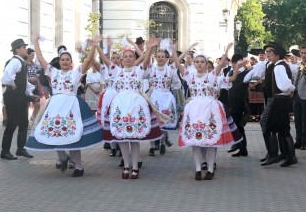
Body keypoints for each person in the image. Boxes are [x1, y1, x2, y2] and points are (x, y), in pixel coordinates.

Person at [25, 35, 103, 177]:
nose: (65, 61)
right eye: (62, 59)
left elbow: (88, 61)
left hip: (71, 106)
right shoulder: (53, 72)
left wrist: (94, 46)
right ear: (59, 61)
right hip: (55, 107)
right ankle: (62, 157)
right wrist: (35, 42)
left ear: (71, 62)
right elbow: (41, 59)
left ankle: (78, 166)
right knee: (54, 132)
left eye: (67, 59)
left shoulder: (76, 73)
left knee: (73, 134)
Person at [97, 36, 163, 179]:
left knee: (134, 138)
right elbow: (104, 58)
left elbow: (146, 61)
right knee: (122, 138)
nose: (128, 59)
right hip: (120, 105)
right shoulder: (116, 71)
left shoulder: (139, 70)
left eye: (130, 56)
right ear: (121, 59)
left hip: (135, 105)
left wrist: (150, 48)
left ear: (134, 58)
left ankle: (135, 167)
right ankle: (126, 166)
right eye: (125, 57)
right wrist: (97, 46)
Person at [175, 43, 240, 180]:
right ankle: (198, 169)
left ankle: (210, 169)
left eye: (202, 62)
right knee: (195, 141)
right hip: (194, 110)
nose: (199, 64)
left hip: (210, 109)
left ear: (206, 64)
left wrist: (226, 51)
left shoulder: (211, 76)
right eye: (197, 62)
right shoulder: (189, 76)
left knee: (211, 140)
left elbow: (221, 64)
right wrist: (181, 50)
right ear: (194, 63)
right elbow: (178, 64)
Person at [0, 39, 39, 160]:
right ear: (17, 49)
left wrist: (30, 93)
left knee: (23, 123)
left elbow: (24, 81)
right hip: (13, 97)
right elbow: (6, 76)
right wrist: (12, 84)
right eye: (23, 47)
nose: (25, 49)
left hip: (21, 96)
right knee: (12, 123)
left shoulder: (21, 62)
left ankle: (20, 149)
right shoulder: (15, 61)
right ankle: (5, 151)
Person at [260, 42, 297, 167]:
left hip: (279, 100)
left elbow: (284, 85)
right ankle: (290, 156)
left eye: (272, 53)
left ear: (277, 55)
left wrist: (291, 88)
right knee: (284, 129)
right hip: (282, 100)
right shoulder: (281, 65)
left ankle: (274, 155)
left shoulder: (278, 67)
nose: (269, 55)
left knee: (270, 127)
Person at [25, 48, 41, 124]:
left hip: (35, 87)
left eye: (34, 55)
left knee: (38, 105)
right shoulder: (23, 64)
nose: (33, 57)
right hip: (26, 88)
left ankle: (34, 120)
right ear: (27, 54)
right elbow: (21, 76)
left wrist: (38, 77)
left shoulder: (34, 64)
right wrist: (29, 79)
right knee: (26, 105)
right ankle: (26, 122)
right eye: (32, 55)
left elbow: (38, 73)